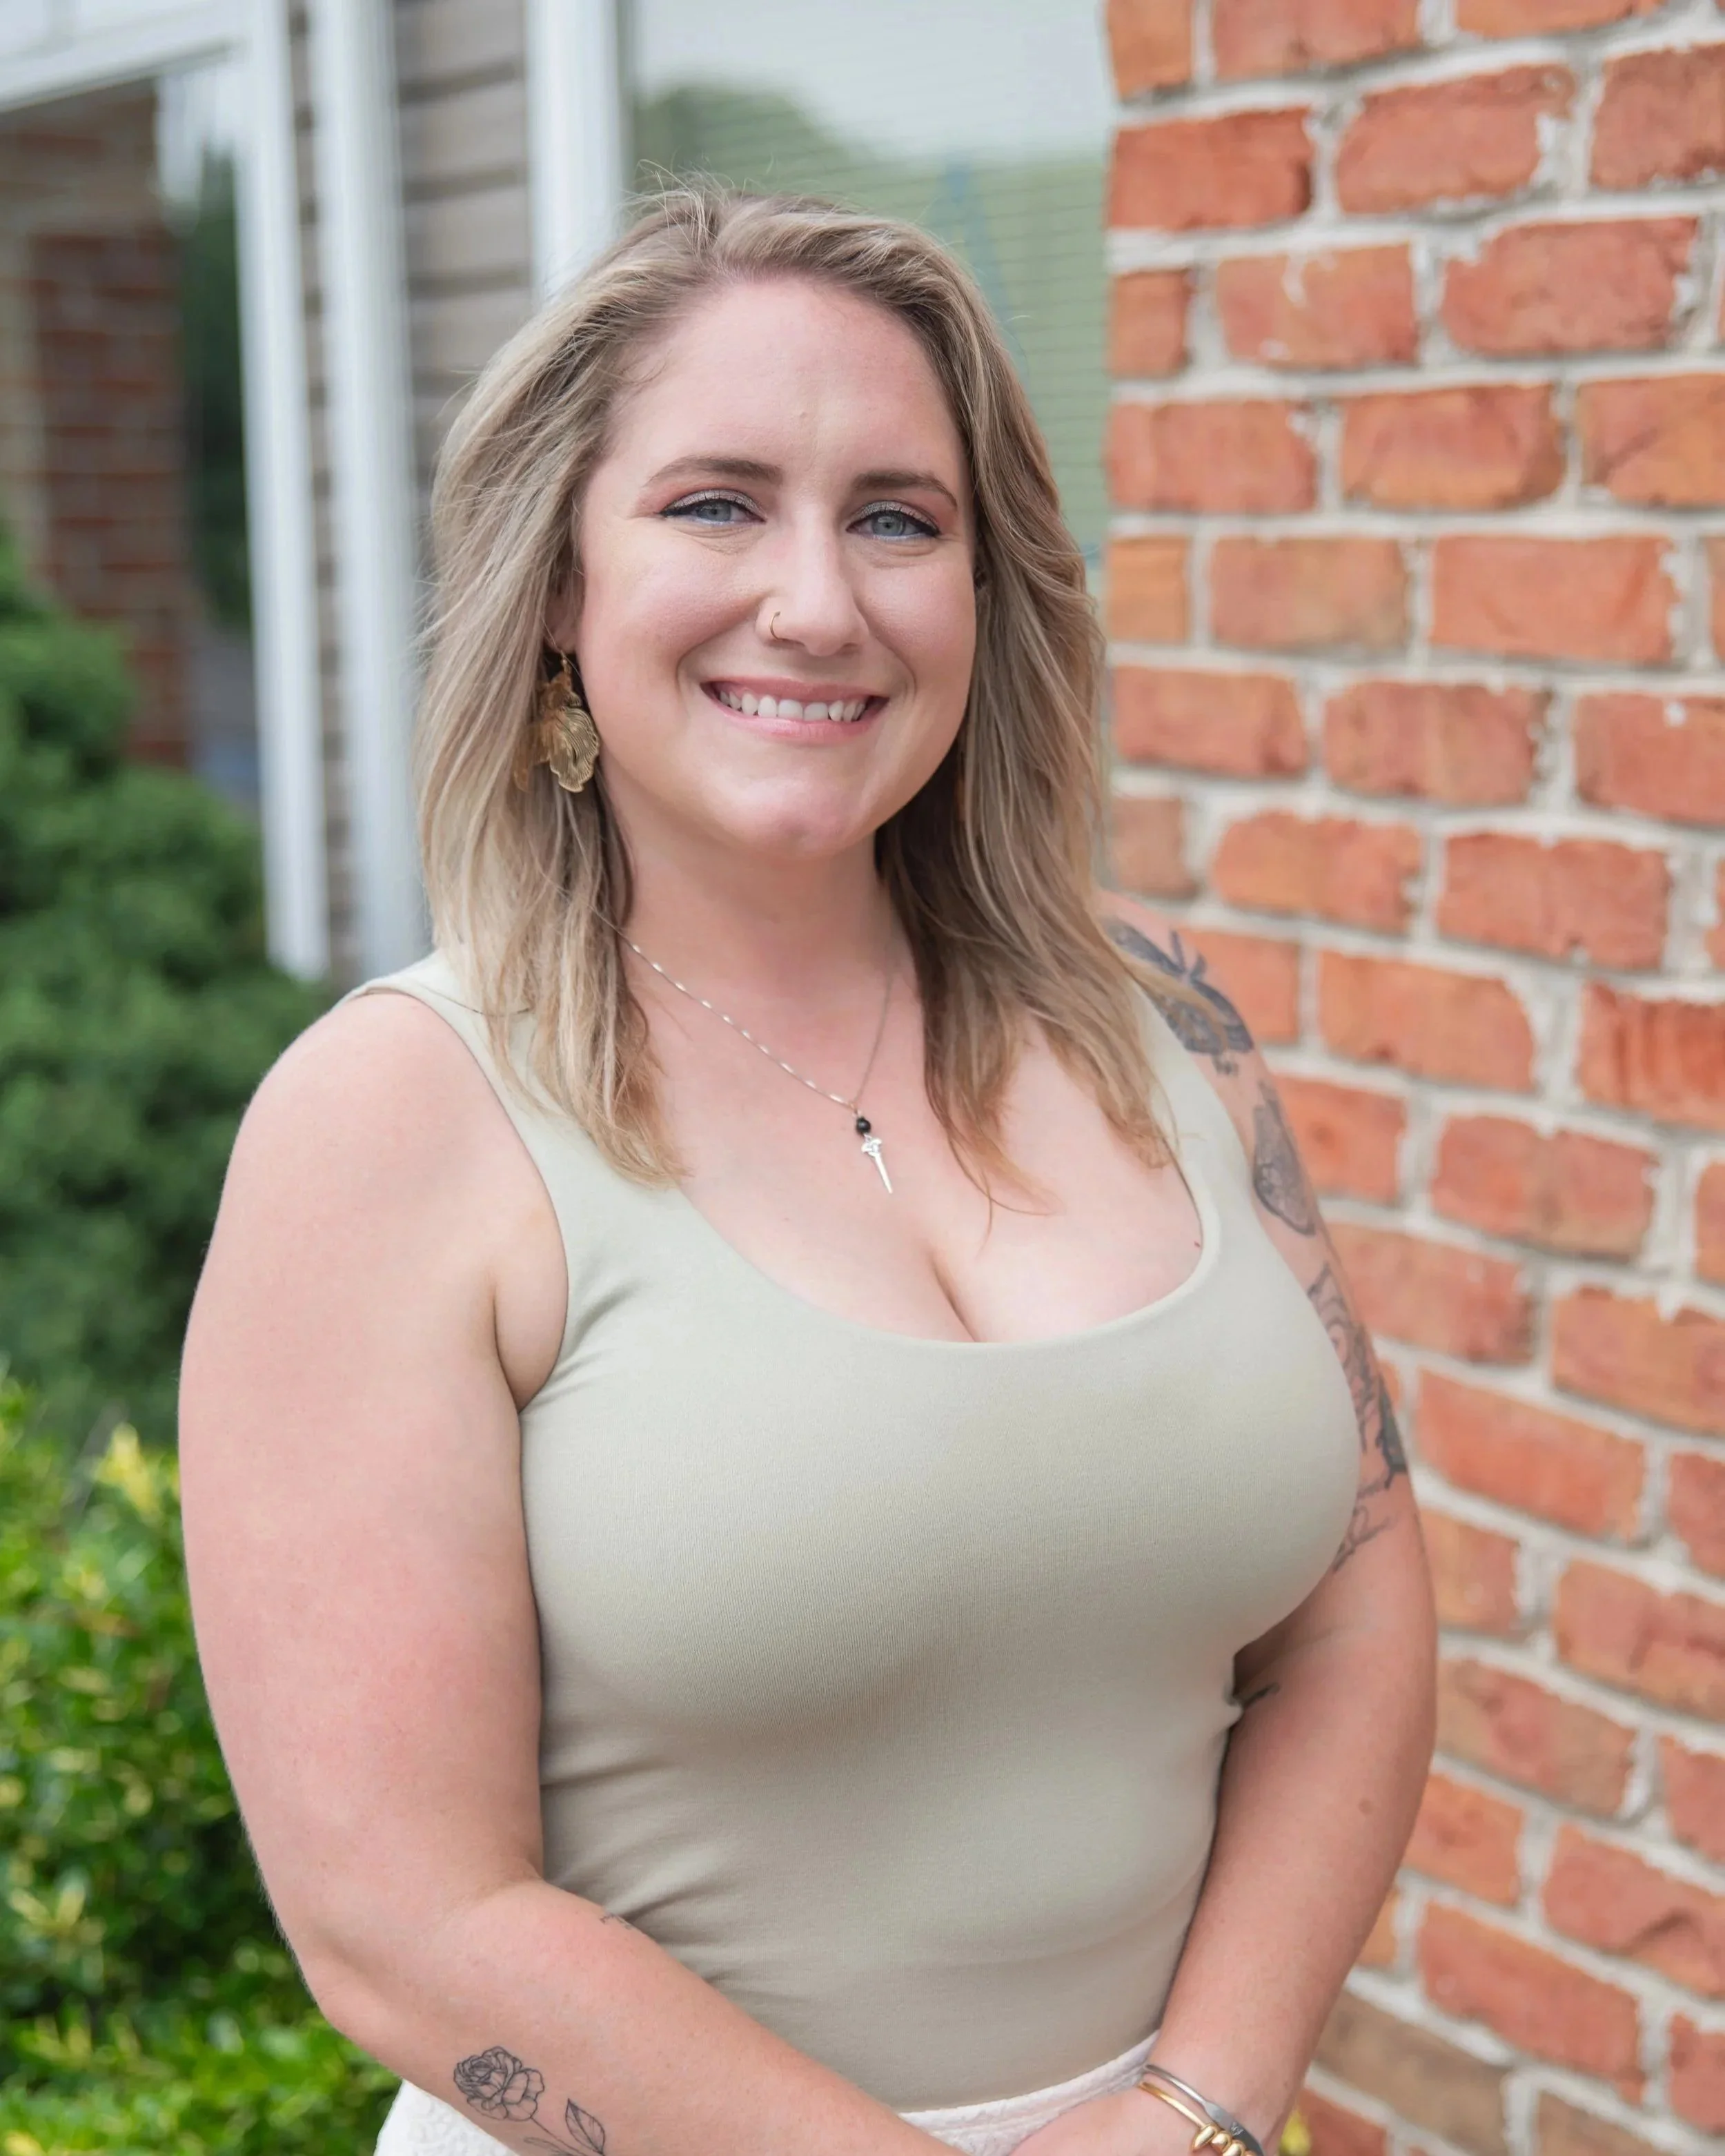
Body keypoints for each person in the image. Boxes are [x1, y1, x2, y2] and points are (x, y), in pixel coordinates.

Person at [179, 189, 1435, 2156]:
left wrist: (1202, 2108)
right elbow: (402, 1923)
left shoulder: (1159, 1022)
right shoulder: (394, 1119)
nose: (817, 604)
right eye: (715, 505)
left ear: (986, 590)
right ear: (560, 588)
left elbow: (1352, 1612)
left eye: (897, 519)